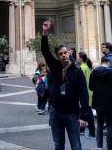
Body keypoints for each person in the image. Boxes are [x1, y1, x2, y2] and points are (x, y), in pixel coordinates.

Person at [41, 20, 89, 150]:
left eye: (65, 52)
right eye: (60, 54)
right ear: (57, 56)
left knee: (76, 146)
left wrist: (84, 116)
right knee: (58, 145)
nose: (63, 55)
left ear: (69, 52)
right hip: (55, 112)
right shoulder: (55, 66)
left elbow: (84, 93)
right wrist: (45, 33)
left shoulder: (77, 70)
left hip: (72, 114)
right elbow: (45, 51)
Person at [90, 57, 112, 150]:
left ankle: (99, 145)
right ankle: (109, 147)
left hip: (98, 102)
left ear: (101, 62)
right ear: (108, 63)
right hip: (110, 103)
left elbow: (90, 87)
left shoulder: (93, 73)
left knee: (99, 123)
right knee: (110, 124)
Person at [77, 52, 95, 138]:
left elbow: (80, 82)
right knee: (87, 111)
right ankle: (82, 130)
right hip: (89, 92)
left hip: (84, 93)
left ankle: (91, 132)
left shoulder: (82, 68)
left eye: (78, 57)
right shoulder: (87, 67)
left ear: (81, 58)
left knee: (86, 112)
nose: (77, 58)